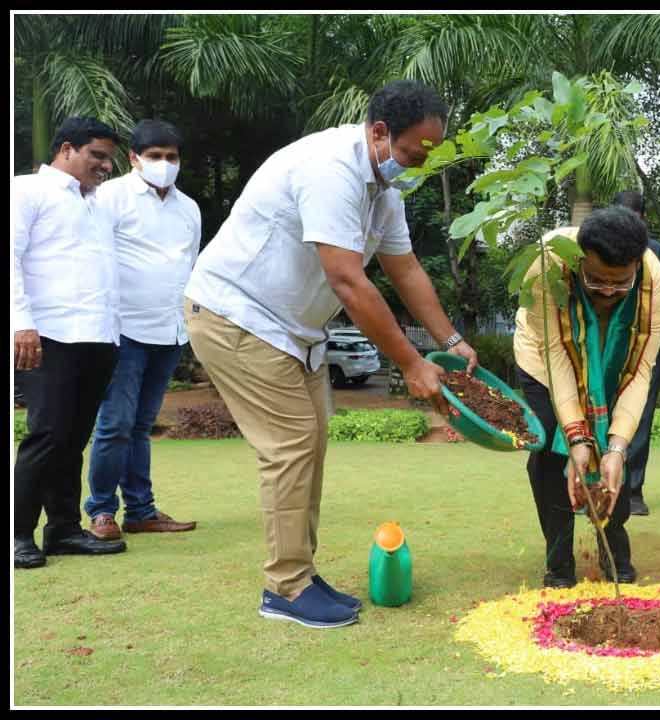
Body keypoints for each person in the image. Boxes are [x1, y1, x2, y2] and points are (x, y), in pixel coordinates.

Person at [183, 80, 478, 629]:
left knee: (311, 438)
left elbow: (405, 268)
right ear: (381, 132)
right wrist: (411, 364)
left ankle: (300, 572)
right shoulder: (329, 169)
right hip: (237, 314)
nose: (419, 163)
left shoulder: (383, 191)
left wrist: (451, 342)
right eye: (416, 151)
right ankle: (286, 588)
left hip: (293, 330)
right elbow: (347, 280)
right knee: (290, 443)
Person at [513, 206, 660, 588]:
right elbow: (557, 356)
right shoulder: (547, 264)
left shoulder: (653, 280)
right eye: (597, 282)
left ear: (636, 266)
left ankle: (612, 544)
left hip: (616, 363)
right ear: (581, 260)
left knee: (617, 450)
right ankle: (559, 560)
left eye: (620, 284)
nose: (608, 295)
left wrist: (614, 448)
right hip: (544, 361)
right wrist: (577, 436)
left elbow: (642, 369)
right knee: (550, 451)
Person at [13, 116, 128, 569]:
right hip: (47, 335)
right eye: (96, 156)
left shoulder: (98, 205)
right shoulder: (27, 191)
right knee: (46, 436)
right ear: (66, 149)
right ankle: (19, 532)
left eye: (109, 160)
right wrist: (21, 324)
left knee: (73, 439)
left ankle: (62, 529)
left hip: (97, 336)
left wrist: (114, 333)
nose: (104, 166)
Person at [83, 119, 202, 541]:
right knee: (114, 424)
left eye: (171, 157)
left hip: (170, 331)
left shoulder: (189, 208)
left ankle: (141, 510)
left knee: (140, 426)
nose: (164, 164)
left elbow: (189, 266)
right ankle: (100, 512)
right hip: (123, 331)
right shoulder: (109, 197)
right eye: (154, 156)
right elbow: (94, 260)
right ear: (134, 159)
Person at [612, 190, 660, 516]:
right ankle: (596, 483)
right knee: (600, 410)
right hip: (607, 346)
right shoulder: (595, 246)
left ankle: (632, 490)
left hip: (645, 349)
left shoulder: (658, 253)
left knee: (640, 417)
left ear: (643, 220)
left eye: (632, 218)